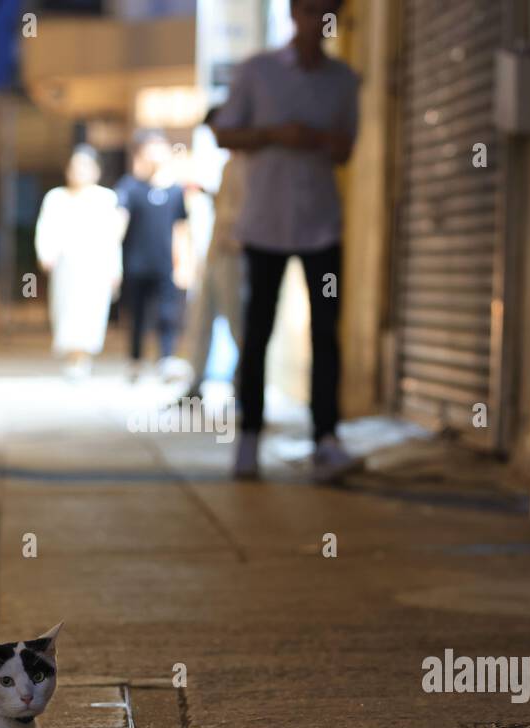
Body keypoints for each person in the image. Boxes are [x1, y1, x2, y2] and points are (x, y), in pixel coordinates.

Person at [213, 0, 360, 483]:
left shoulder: (343, 80)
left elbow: (346, 148)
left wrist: (314, 138)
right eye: (311, 11)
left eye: (327, 12)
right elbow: (224, 133)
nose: (318, 21)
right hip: (266, 225)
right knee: (257, 333)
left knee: (326, 332)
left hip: (322, 226)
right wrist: (275, 133)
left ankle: (326, 438)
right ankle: (249, 436)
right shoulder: (258, 71)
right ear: (294, 13)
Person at [35, 145, 123, 377]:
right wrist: (46, 253)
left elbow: (112, 238)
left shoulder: (105, 198)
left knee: (91, 310)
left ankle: (83, 356)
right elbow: (46, 229)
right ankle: (71, 355)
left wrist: (116, 268)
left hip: (96, 265)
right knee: (66, 309)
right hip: (66, 264)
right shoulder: (56, 197)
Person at [115, 130, 193, 382]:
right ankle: (135, 360)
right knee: (136, 314)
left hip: (165, 264)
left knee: (167, 313)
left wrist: (183, 262)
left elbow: (180, 228)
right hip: (136, 263)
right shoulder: (130, 187)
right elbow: (119, 223)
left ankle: (166, 358)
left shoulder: (175, 191)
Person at [182, 107, 247, 401]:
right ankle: (195, 383)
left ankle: (244, 386)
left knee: (238, 322)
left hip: (236, 255)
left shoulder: (250, 166)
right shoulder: (230, 165)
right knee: (202, 318)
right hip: (216, 252)